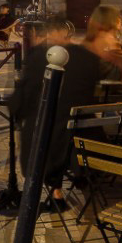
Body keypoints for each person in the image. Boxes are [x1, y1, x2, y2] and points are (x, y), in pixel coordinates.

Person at [11, 16, 104, 211]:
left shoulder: (38, 56)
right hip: (84, 135)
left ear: (52, 33)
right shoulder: (88, 57)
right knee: (59, 124)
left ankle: (53, 191)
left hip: (48, 139)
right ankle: (60, 189)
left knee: (40, 128)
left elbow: (22, 99)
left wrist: (17, 115)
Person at [83, 5, 122, 82]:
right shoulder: (108, 41)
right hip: (106, 90)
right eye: (119, 18)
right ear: (117, 21)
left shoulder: (87, 41)